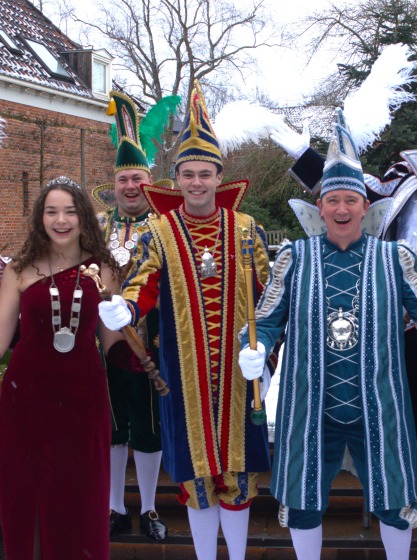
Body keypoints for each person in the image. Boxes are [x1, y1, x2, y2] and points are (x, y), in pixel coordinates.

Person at [238, 109, 417, 560]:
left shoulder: (393, 259)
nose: (342, 209)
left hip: (380, 405)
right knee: (303, 504)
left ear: (365, 207)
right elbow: (266, 321)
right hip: (309, 405)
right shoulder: (294, 258)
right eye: (333, 200)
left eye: (351, 200)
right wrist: (256, 348)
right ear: (320, 206)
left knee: (395, 503)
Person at [271, 61, 417, 485]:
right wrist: (305, 157)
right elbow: (349, 194)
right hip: (397, 327)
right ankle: (400, 503)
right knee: (397, 419)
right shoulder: (404, 183)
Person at [98, 80, 271, 560]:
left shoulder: (246, 229)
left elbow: (271, 295)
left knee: (237, 475)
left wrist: (268, 351)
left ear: (219, 177)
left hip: (238, 375)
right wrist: (127, 308)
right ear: (176, 179)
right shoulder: (159, 231)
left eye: (205, 174)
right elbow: (143, 284)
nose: (196, 182)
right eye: (188, 174)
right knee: (196, 477)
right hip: (184, 376)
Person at [0, 176, 122, 560]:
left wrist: (141, 360)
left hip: (83, 402)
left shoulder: (104, 269)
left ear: (83, 216)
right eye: (52, 211)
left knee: (80, 500)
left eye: (70, 211)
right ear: (41, 217)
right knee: (27, 498)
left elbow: (114, 342)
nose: (61, 220)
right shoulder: (19, 270)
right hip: (25, 403)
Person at [93, 90, 179, 541]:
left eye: (138, 178)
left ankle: (147, 507)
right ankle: (114, 507)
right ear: (115, 182)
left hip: (152, 341)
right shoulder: (96, 225)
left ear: (150, 181)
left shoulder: (167, 226)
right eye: (123, 178)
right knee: (112, 428)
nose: (130, 186)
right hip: (102, 346)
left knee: (148, 427)